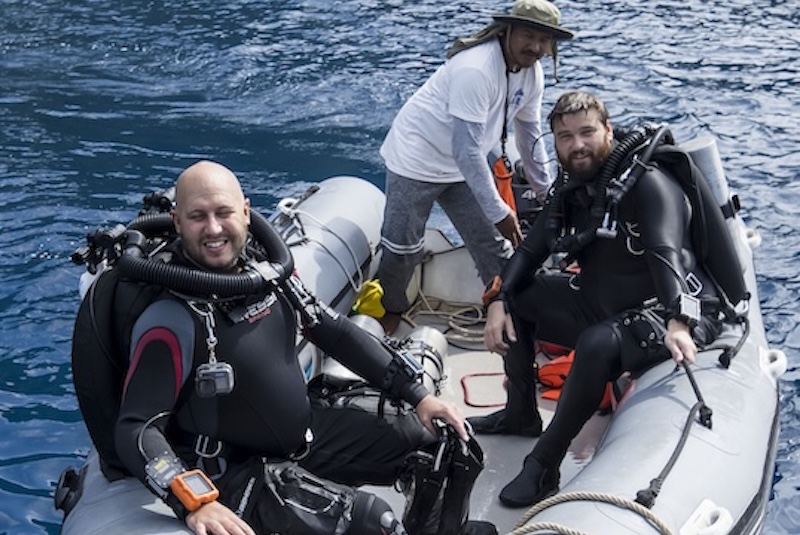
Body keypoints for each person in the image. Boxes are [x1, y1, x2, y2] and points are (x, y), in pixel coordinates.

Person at [110, 161, 496, 534]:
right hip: (235, 473)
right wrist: (194, 501)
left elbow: (336, 333)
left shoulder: (266, 274)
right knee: (375, 521)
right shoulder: (170, 317)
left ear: (246, 213)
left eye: (223, 212)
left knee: (443, 444)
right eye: (198, 216)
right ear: (177, 221)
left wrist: (418, 396)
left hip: (302, 436)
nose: (213, 228)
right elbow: (136, 428)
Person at [469, 90, 741, 507]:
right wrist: (499, 299)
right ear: (554, 142)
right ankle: (520, 411)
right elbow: (529, 251)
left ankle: (543, 465)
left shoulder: (648, 183)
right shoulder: (573, 188)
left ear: (608, 131)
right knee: (521, 294)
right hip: (603, 303)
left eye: (587, 133)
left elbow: (666, 253)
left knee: (597, 341)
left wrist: (678, 321)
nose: (577, 145)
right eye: (565, 136)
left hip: (668, 311)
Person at [376, 0, 574, 334]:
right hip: (416, 160)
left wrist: (548, 193)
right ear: (508, 30)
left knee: (495, 246)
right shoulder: (476, 68)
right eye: (529, 35)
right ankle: (389, 313)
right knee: (401, 249)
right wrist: (498, 210)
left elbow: (528, 137)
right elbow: (466, 149)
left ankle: (508, 307)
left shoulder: (533, 73)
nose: (537, 47)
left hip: (462, 167)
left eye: (545, 40)